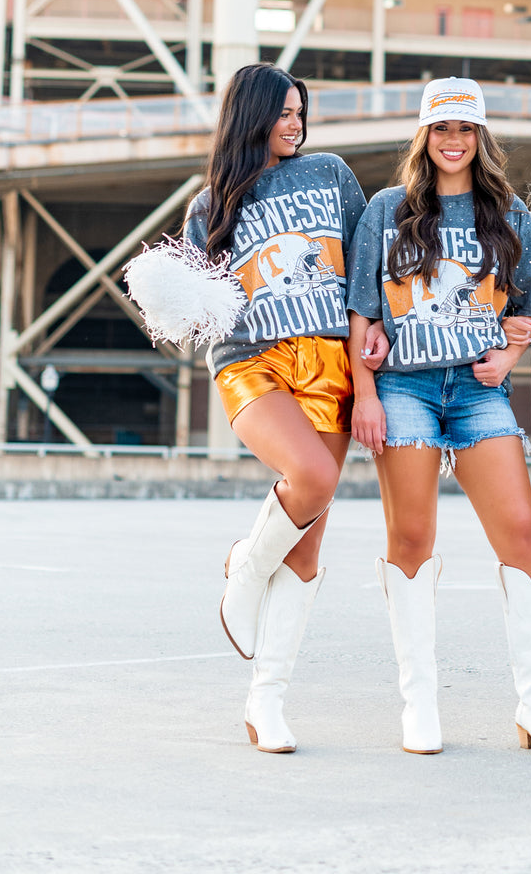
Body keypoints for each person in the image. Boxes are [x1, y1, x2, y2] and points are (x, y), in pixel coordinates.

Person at [346, 77, 531, 758]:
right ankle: (419, 707)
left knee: (524, 537)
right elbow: (361, 311)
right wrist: (364, 392)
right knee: (411, 537)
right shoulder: (387, 209)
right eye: (441, 130)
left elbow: (528, 310)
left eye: (464, 130)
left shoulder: (510, 216)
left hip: (478, 393)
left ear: (480, 137)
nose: (452, 141)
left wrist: (507, 355)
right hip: (406, 388)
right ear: (424, 136)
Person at [183, 62, 382, 754]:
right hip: (252, 359)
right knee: (313, 480)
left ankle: (266, 700)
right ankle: (245, 568)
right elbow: (199, 305)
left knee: (310, 544)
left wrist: (369, 373)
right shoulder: (210, 205)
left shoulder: (329, 173)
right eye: (283, 112)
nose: (296, 124)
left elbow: (367, 274)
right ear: (251, 116)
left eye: (302, 112)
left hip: (331, 362)